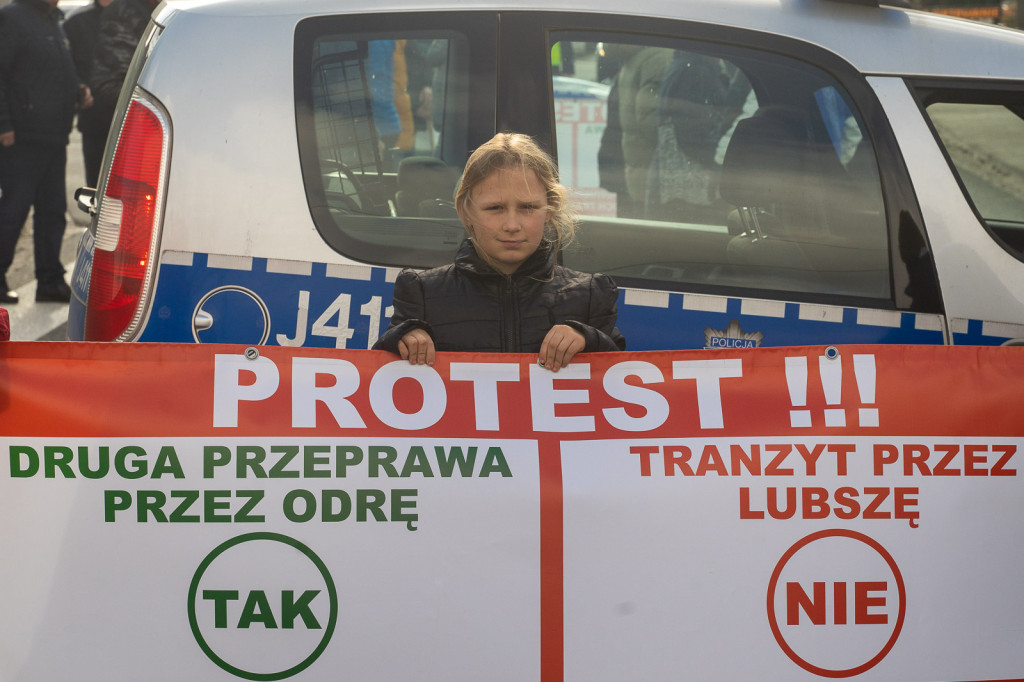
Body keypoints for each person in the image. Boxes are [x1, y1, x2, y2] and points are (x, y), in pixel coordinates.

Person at [373, 132, 625, 371]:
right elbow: (382, 380)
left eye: (527, 207)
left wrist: (589, 340)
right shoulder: (423, 293)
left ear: (550, 210)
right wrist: (401, 341)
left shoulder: (591, 295)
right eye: (495, 208)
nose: (512, 225)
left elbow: (619, 383)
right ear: (465, 211)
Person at [0, 0, 91, 304]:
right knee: (13, 213)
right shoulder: (12, 18)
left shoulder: (53, 20)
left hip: (54, 135)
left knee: (53, 213)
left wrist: (77, 88)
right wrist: (3, 125)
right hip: (22, 138)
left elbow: (53, 71)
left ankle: (50, 281)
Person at [63, 0, 115, 188]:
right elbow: (66, 66)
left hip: (133, 118)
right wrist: (80, 88)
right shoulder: (76, 22)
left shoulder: (138, 16)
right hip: (94, 119)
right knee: (96, 185)